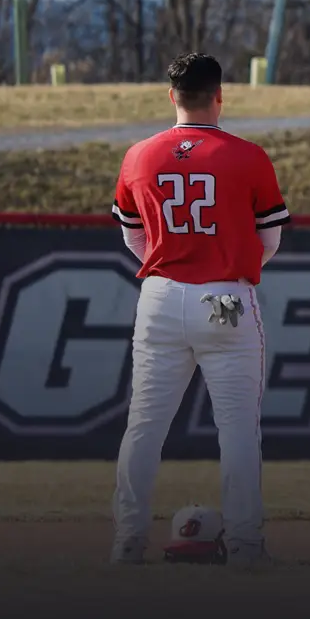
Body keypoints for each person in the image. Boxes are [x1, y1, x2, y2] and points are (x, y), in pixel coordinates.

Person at [109, 53, 291, 566]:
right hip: (225, 295)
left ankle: (127, 540)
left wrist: (173, 263)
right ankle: (245, 544)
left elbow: (132, 236)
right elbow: (269, 239)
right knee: (236, 428)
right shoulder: (248, 156)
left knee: (144, 424)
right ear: (219, 95)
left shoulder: (139, 155)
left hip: (162, 293)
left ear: (172, 96)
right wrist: (224, 265)